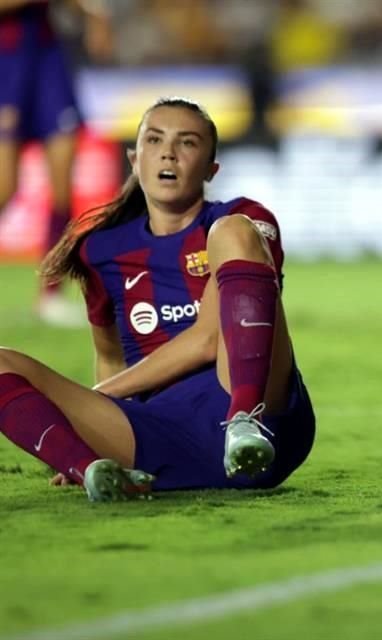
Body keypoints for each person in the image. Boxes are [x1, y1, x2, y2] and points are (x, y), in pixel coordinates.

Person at [0, 97, 316, 501]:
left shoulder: (241, 220)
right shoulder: (100, 249)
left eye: (187, 143)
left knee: (233, 231)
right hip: (161, 432)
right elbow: (110, 357)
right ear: (134, 159)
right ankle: (90, 469)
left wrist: (101, 395)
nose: (168, 152)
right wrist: (90, 430)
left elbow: (208, 339)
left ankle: (242, 420)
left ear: (211, 168)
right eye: (154, 139)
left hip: (263, 418)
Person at [0, 0, 112, 326]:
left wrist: (93, 16)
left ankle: (50, 296)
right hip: (6, 61)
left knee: (63, 187)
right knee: (6, 189)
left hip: (47, 57)